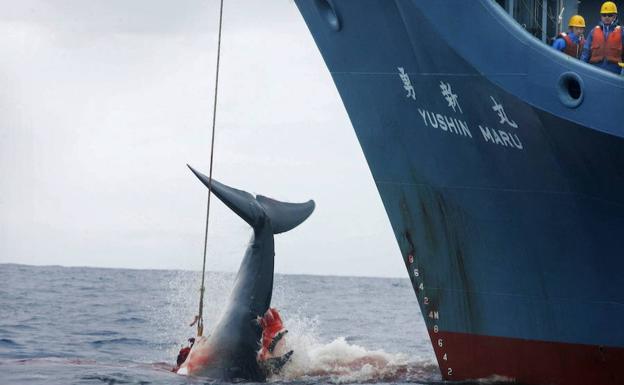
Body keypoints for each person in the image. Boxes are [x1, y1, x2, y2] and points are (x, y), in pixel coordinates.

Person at [581, 1, 624, 74]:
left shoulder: (622, 32)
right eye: (604, 15)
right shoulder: (593, 31)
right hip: (595, 71)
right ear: (601, 16)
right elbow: (586, 52)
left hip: (615, 73)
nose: (607, 17)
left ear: (615, 16)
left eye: (610, 15)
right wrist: (581, 68)